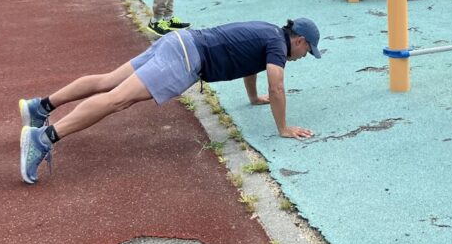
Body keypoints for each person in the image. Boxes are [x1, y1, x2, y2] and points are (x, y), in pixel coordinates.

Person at [18, 18, 322, 185]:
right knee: (117, 100)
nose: (303, 57)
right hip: (187, 58)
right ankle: (43, 138)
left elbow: (251, 66)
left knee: (109, 80)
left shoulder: (268, 33)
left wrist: (253, 97)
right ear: (300, 41)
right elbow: (278, 86)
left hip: (180, 41)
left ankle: (41, 106)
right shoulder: (278, 48)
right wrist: (283, 128)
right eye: (307, 52)